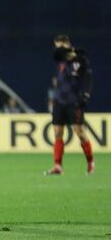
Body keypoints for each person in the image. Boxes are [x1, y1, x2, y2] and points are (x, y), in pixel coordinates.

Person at [44, 34, 94, 175]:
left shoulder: (81, 60)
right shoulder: (60, 60)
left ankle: (90, 162)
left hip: (74, 102)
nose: (57, 49)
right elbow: (57, 55)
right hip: (59, 102)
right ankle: (57, 166)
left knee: (80, 132)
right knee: (58, 133)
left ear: (66, 43)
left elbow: (88, 80)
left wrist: (85, 96)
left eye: (59, 46)